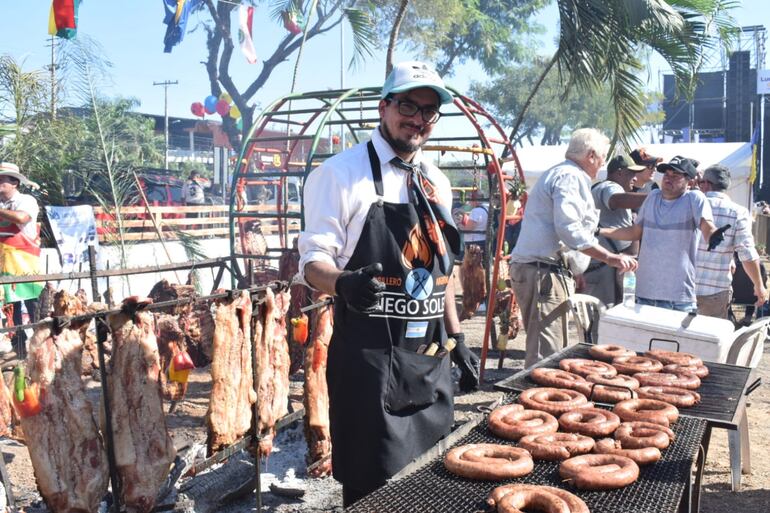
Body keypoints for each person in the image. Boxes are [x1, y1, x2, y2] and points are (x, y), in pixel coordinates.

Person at [298, 61, 478, 506]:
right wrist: (342, 284)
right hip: (370, 366)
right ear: (384, 107)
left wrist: (457, 336)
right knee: (371, 494)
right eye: (408, 106)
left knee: (430, 487)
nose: (418, 119)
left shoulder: (436, 181)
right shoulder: (339, 175)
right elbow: (311, 262)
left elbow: (442, 270)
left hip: (429, 361)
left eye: (429, 112)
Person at [509, 129, 637, 368]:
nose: (602, 163)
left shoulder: (563, 173)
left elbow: (567, 229)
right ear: (590, 155)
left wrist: (574, 269)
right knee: (545, 353)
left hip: (545, 270)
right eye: (601, 157)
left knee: (550, 345)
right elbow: (569, 229)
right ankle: (537, 399)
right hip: (543, 272)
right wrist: (609, 257)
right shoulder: (570, 176)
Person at [601, 156, 729, 312]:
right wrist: (599, 231)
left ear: (689, 182)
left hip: (678, 299)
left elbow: (706, 225)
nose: (669, 178)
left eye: (675, 176)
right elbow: (634, 233)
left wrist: (713, 235)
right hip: (644, 294)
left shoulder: (694, 198)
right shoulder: (653, 197)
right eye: (666, 174)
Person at [695, 165, 768, 317]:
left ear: (707, 183)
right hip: (715, 291)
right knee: (711, 338)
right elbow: (747, 253)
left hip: (681, 289)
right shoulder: (737, 212)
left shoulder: (690, 205)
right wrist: (759, 286)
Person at [583, 155, 647, 306]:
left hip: (609, 267)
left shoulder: (600, 187)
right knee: (605, 319)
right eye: (631, 173)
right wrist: (657, 199)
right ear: (619, 173)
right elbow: (616, 199)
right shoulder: (610, 187)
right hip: (604, 270)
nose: (635, 179)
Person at [0, 163, 42, 354]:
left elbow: (21, 218)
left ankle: (41, 349)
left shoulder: (27, 200)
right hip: (5, 264)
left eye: (2, 180)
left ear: (14, 182)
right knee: (11, 311)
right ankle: (20, 352)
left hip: (25, 264)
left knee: (35, 310)